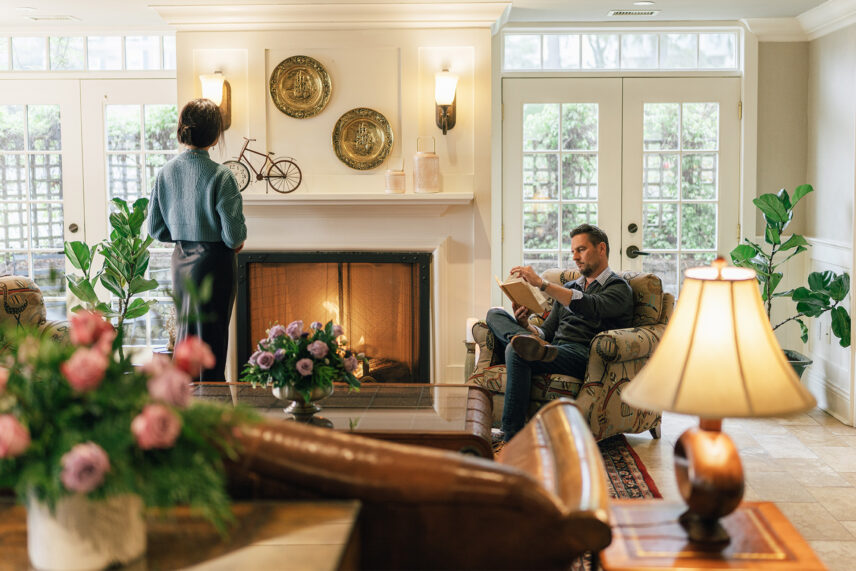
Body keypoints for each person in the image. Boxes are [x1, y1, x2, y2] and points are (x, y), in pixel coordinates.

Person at [485, 223, 633, 444]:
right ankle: (525, 342)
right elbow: (547, 331)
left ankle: (511, 434)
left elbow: (589, 305)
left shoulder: (618, 288)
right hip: (551, 348)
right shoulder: (572, 285)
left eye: (581, 250)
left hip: (581, 355)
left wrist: (541, 283)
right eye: (572, 251)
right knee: (495, 314)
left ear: (601, 249)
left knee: (516, 351)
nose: (575, 257)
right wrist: (526, 325)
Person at [148, 98, 247, 381]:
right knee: (212, 343)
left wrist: (184, 235)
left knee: (186, 338)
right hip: (215, 264)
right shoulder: (221, 175)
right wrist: (233, 242)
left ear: (183, 130)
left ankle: (185, 409)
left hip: (181, 262)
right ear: (216, 135)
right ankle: (215, 414)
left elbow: (155, 228)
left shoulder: (164, 173)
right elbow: (234, 235)